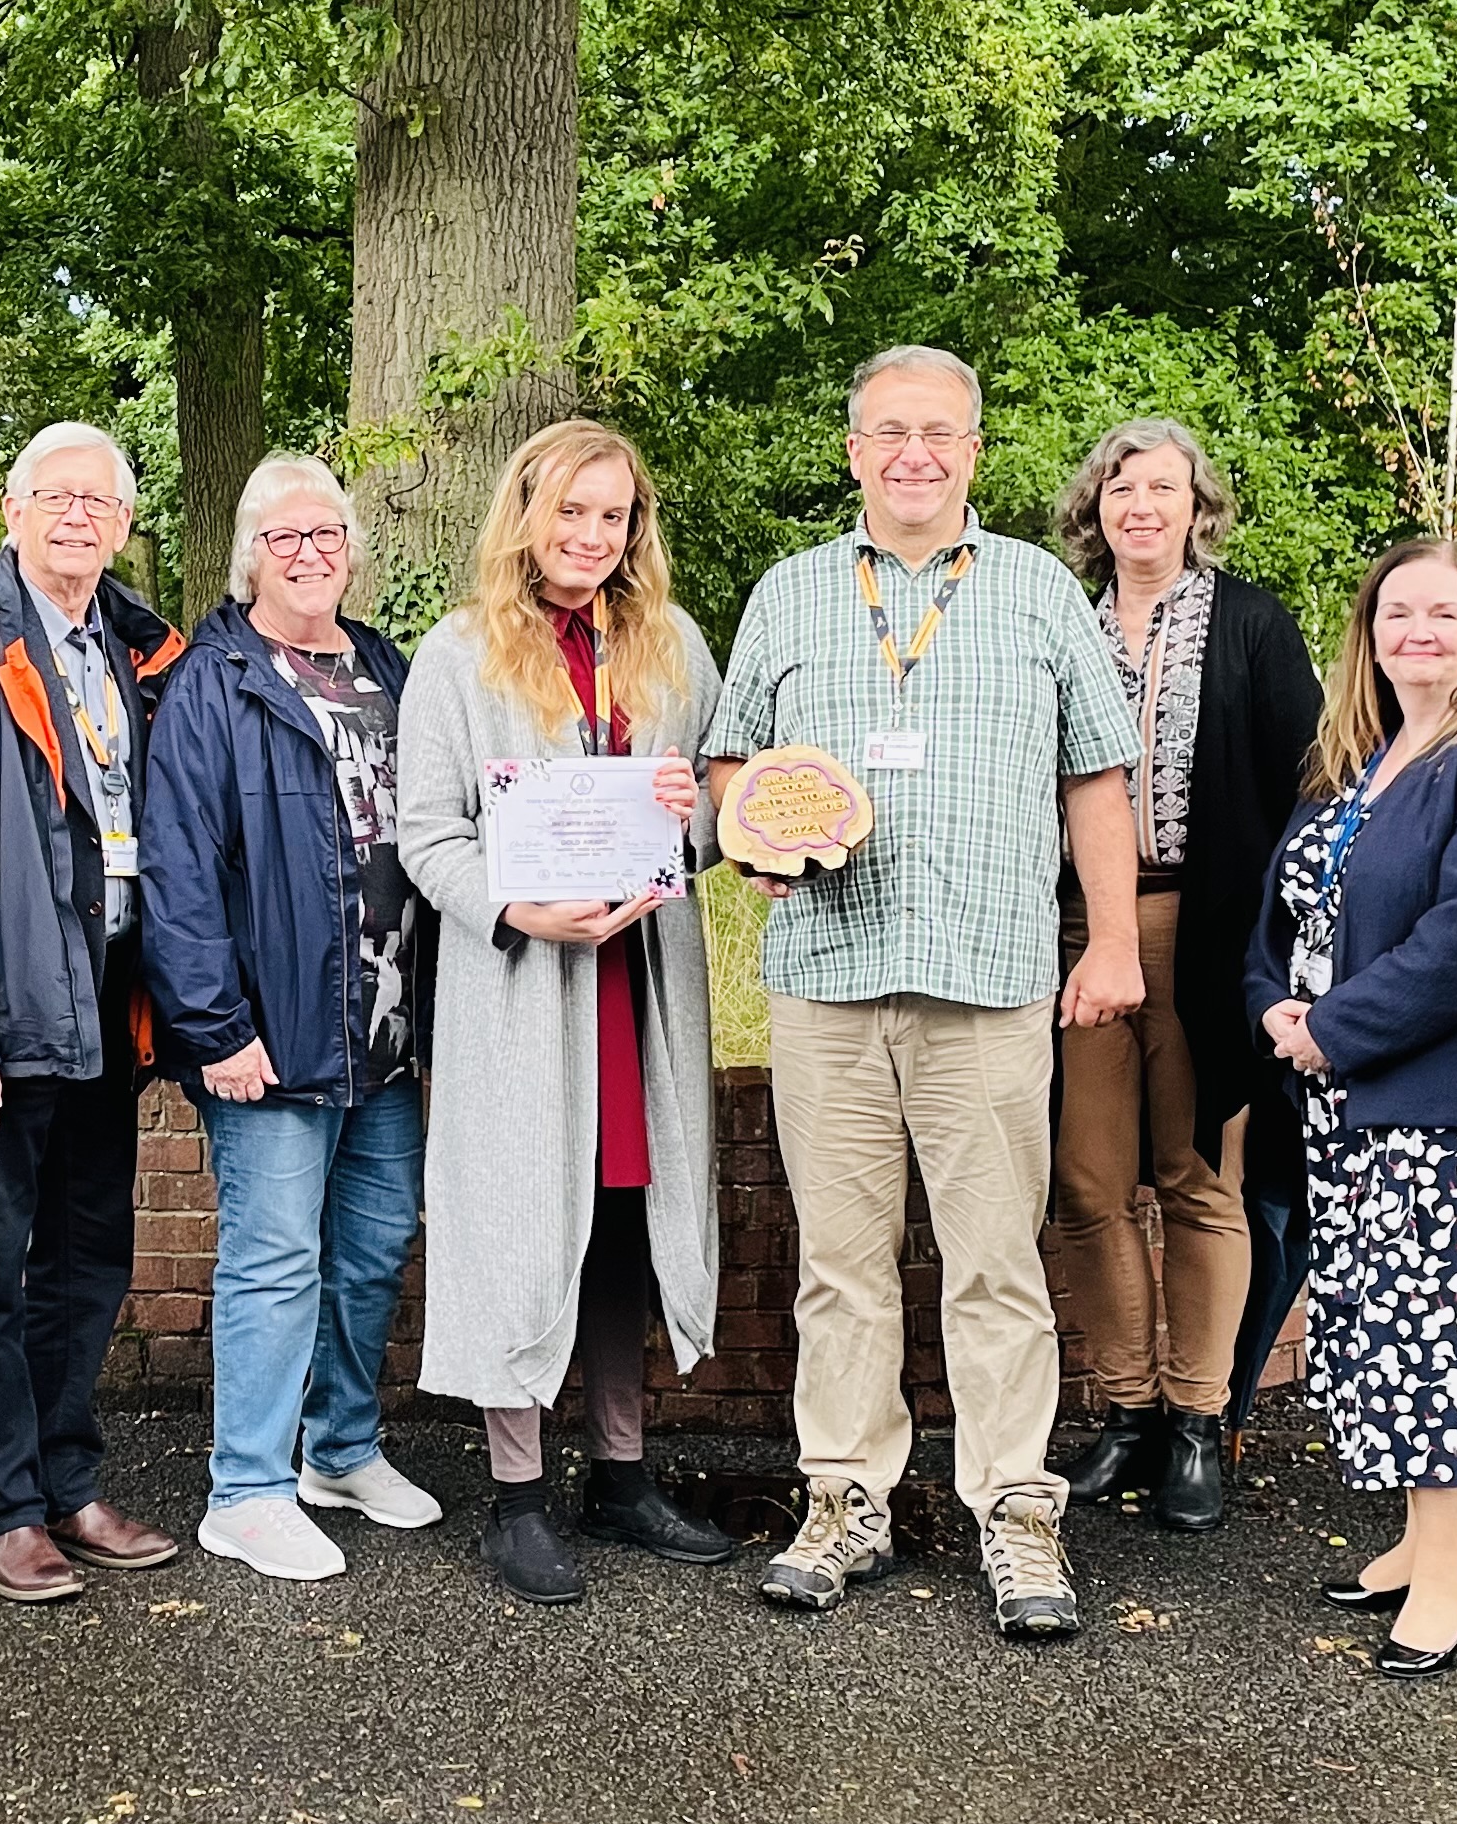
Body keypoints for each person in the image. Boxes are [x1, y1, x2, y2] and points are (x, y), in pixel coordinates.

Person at [703, 346, 1144, 1637]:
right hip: (827, 980)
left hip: (987, 978)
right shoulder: (787, 593)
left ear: (971, 448)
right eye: (887, 431)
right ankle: (844, 1497)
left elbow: (1094, 781)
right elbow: (730, 767)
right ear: (852, 451)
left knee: (995, 1261)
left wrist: (1107, 940)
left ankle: (1014, 1510)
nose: (912, 453)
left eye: (936, 433)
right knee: (837, 1265)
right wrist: (752, 831)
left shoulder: (1034, 594)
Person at [398, 419, 737, 1605]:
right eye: (571, 511)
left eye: (614, 515)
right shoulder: (458, 656)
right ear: (525, 512)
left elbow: (705, 824)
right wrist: (517, 909)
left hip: (639, 985)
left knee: (622, 1223)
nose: (592, 536)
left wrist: (690, 805)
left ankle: (625, 1475)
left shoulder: (675, 646)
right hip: (524, 986)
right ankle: (518, 1493)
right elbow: (428, 835)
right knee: (522, 1219)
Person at [1245, 541, 1457, 1679]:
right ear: (1370, 632)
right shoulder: (1359, 759)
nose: (1417, 630)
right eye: (1396, 611)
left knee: (1434, 1331)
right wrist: (1272, 1010)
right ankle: (1412, 1539)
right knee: (1379, 1329)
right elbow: (1279, 918)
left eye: (1443, 612)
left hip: (1446, 1108)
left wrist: (1330, 1030)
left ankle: (1448, 1569)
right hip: (1345, 1098)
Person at [0, 422, 190, 1605]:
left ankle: (72, 1481)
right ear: (10, 513)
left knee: (89, 1262)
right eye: (53, 497)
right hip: (3, 1023)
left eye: (98, 502)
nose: (76, 518)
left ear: (122, 524)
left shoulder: (138, 653)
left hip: (111, 1012)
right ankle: (5, 1506)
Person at [141, 454, 441, 1582]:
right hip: (273, 1031)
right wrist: (215, 1027)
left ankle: (340, 1448)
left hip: (390, 1033)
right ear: (249, 553)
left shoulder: (388, 667)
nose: (311, 554)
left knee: (369, 1251)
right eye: (286, 537)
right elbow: (179, 870)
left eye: (328, 535)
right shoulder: (214, 681)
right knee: (273, 1262)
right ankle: (246, 1488)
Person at [1043, 420, 1320, 1532]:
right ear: (1096, 508)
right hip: (1077, 930)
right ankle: (1127, 1410)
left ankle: (1200, 1418)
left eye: (1164, 486)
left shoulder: (1252, 623)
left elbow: (1309, 785)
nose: (1141, 505)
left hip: (1208, 931)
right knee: (1089, 1180)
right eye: (1122, 486)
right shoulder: (1058, 617)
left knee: (1200, 1173)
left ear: (1198, 506)